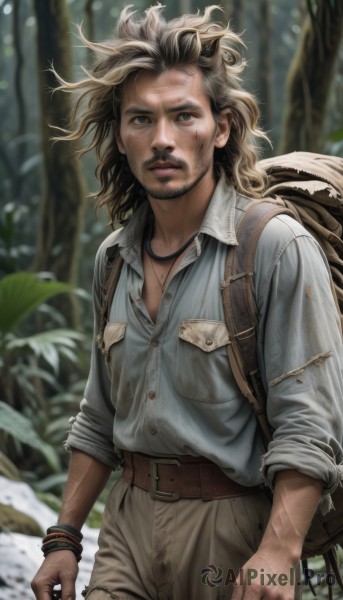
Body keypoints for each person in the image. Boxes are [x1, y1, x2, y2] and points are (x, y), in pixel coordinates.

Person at [31, 5, 343, 600]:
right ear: (121, 135)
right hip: (126, 526)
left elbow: (311, 422)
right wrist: (63, 538)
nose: (163, 140)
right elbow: (99, 417)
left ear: (220, 128)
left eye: (183, 116)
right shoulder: (113, 260)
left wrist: (279, 548)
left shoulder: (273, 247)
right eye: (142, 120)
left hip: (232, 533)